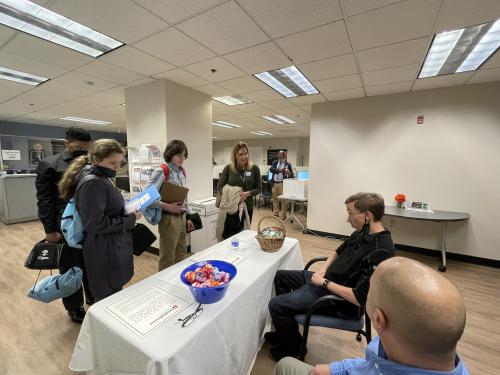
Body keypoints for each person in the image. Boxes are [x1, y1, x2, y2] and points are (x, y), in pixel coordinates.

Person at [273, 256, 470, 375]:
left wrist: (322, 370)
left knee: (285, 365)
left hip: (327, 294)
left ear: (378, 320)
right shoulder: (396, 344)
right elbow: (369, 365)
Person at [266, 192, 395, 362]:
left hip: (336, 298)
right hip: (325, 281)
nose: (347, 219)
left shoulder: (381, 250)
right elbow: (338, 251)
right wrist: (324, 269)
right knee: (280, 277)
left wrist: (324, 282)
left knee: (276, 305)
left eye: (350, 213)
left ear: (367, 216)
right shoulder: (363, 231)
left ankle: (294, 348)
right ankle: (287, 333)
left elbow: (359, 298)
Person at [59, 139, 141, 301]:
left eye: (120, 162)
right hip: (104, 249)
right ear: (97, 159)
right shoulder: (94, 182)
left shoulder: (100, 176)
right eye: (112, 163)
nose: (117, 167)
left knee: (110, 293)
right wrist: (130, 219)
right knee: (108, 297)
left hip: (108, 245)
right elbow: (95, 224)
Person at [35, 127, 91, 323]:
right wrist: (50, 231)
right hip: (64, 227)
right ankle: (74, 306)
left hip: (90, 224)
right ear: (67, 143)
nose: (83, 150)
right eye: (79, 146)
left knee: (90, 263)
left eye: (86, 147)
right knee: (70, 266)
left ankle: (92, 297)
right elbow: (44, 200)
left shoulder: (91, 163)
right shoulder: (49, 165)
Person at [144, 140, 194, 271]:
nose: (182, 159)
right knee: (167, 257)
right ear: (171, 154)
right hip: (168, 219)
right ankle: (165, 288)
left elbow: (184, 196)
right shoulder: (162, 171)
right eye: (179, 155)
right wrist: (167, 206)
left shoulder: (181, 171)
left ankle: (177, 281)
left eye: (184, 155)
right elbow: (146, 197)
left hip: (182, 217)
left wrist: (188, 216)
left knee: (181, 253)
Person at [217, 141, 261, 223]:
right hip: (231, 207)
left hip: (247, 207)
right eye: (240, 154)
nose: (244, 157)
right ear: (235, 156)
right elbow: (220, 187)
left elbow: (258, 188)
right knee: (231, 234)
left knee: (245, 232)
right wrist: (231, 195)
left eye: (245, 153)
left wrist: (248, 194)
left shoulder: (254, 168)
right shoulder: (228, 168)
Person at [270, 150, 294, 220]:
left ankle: (283, 215)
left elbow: (291, 175)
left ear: (284, 156)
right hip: (274, 183)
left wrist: (289, 173)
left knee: (283, 200)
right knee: (275, 200)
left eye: (281, 156)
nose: (279, 157)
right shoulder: (274, 162)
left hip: (282, 184)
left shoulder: (288, 164)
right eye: (279, 155)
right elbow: (271, 169)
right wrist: (280, 171)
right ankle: (275, 213)